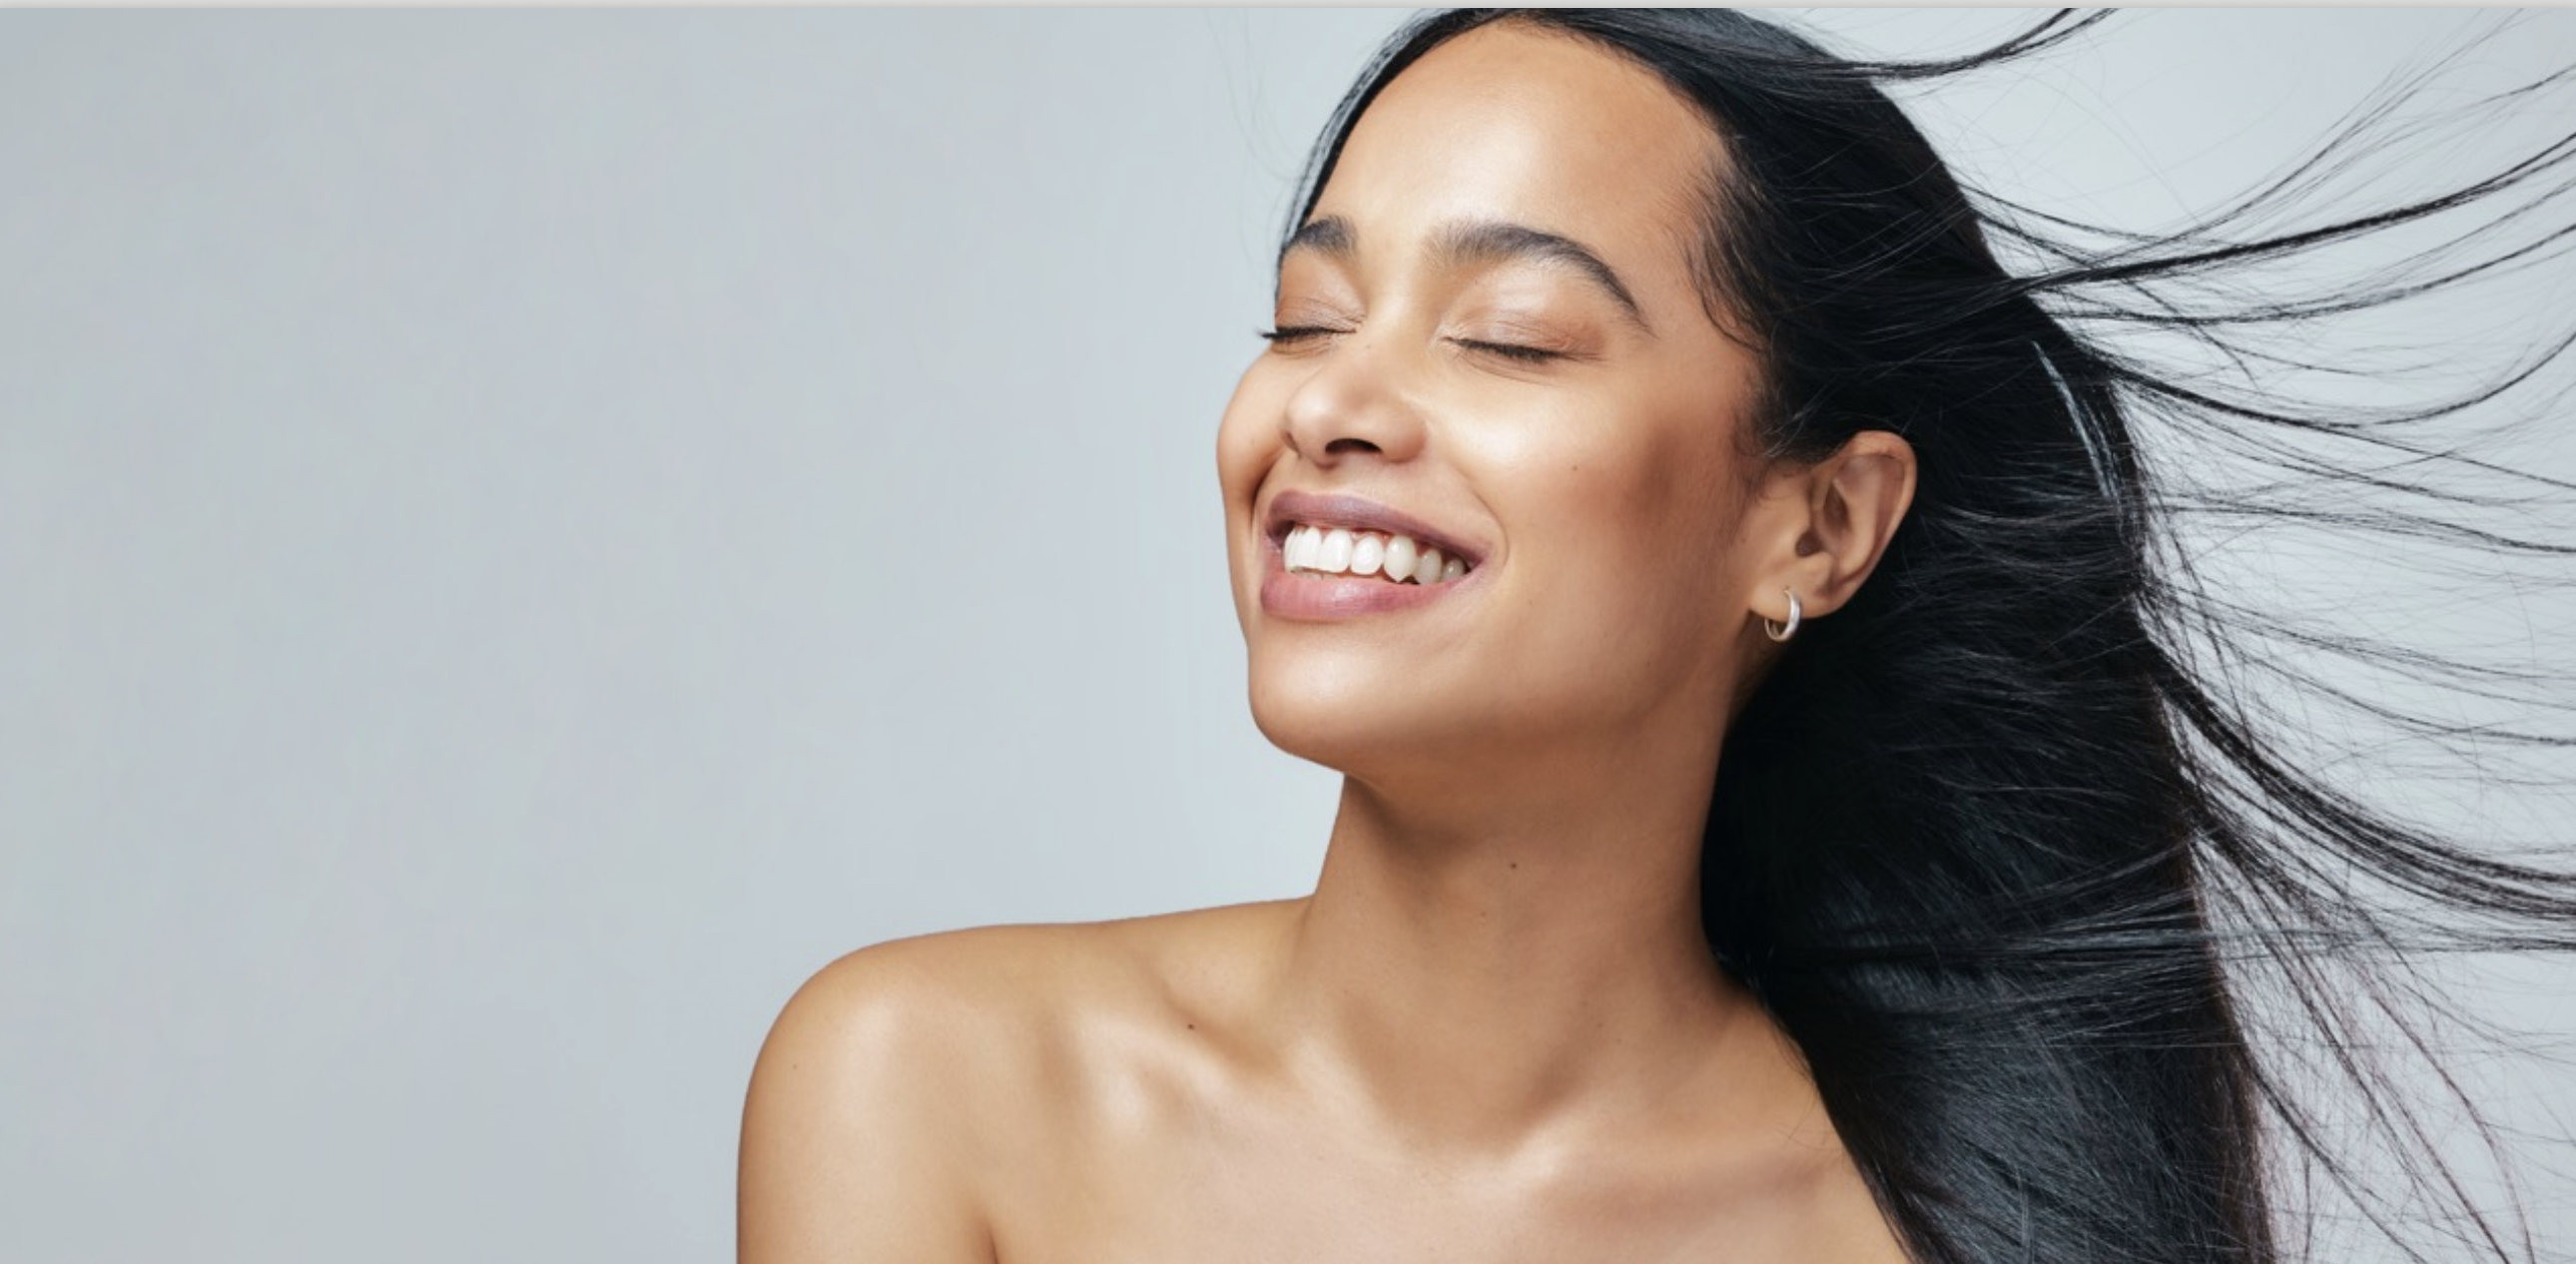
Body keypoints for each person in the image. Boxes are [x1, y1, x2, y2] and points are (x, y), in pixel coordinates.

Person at [738, 11, 2576, 1263]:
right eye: (1306, 321)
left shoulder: (1930, 1226)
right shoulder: (931, 1082)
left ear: (1819, 523)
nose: (1332, 408)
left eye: (1513, 337)